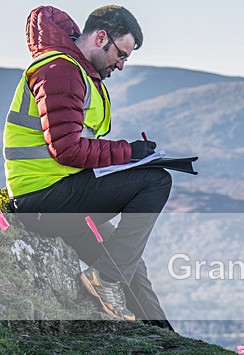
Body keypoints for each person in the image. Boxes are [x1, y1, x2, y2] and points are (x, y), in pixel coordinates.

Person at [3, 5, 173, 330]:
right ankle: (104, 280)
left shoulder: (76, 71)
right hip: (44, 202)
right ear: (101, 37)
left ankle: (165, 338)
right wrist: (129, 153)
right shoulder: (59, 70)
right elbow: (66, 148)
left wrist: (130, 156)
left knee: (130, 262)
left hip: (61, 196)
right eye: (120, 54)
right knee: (155, 181)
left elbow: (75, 144)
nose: (121, 65)